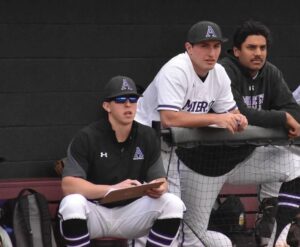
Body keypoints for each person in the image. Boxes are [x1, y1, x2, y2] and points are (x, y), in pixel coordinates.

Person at [135, 20, 300, 247]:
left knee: (172, 214)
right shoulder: (176, 70)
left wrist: (239, 118)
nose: (211, 52)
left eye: (215, 46)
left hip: (179, 151)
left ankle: (275, 241)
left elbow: (231, 111)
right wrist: (219, 118)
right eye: (204, 46)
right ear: (189, 47)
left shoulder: (218, 72)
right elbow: (170, 118)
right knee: (162, 213)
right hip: (150, 146)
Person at [58, 75, 185, 247]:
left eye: (133, 99)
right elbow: (69, 185)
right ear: (106, 106)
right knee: (71, 204)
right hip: (96, 211)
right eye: (120, 99)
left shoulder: (147, 135)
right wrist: (112, 189)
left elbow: (160, 179)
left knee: (173, 203)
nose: (128, 104)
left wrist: (160, 187)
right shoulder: (87, 136)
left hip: (132, 214)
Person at [219, 20, 300, 247]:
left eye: (262, 48)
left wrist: (284, 116)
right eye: (251, 47)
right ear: (236, 51)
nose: (258, 53)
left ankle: (277, 239)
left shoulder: (270, 72)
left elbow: (294, 109)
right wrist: (280, 118)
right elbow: (240, 112)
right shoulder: (224, 71)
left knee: (295, 165)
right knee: (193, 226)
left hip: (248, 158)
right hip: (211, 164)